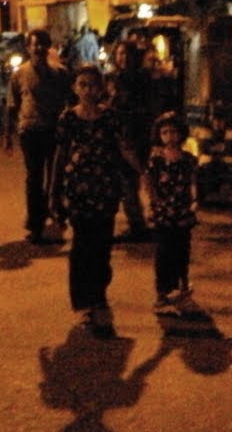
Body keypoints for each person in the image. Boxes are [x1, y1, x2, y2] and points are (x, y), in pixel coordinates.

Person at [50, 66, 143, 338]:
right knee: (81, 247)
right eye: (83, 84)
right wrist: (53, 192)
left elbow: (124, 148)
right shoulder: (68, 119)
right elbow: (60, 154)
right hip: (78, 190)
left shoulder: (111, 117)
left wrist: (145, 172)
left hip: (105, 189)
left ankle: (98, 294)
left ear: (101, 88)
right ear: (75, 88)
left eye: (93, 85)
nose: (88, 90)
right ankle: (84, 304)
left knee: (102, 246)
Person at [4, 28, 72, 245]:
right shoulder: (19, 75)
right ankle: (35, 224)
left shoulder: (60, 73)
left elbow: (70, 101)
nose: (39, 48)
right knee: (34, 179)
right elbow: (11, 106)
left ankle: (55, 211)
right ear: (28, 47)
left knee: (55, 178)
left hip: (53, 131)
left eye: (43, 44)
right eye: (35, 44)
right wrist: (7, 136)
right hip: (30, 131)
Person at [143, 111, 199, 309]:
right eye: (165, 132)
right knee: (163, 251)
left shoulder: (188, 159)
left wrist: (194, 200)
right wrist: (154, 201)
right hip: (162, 211)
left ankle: (182, 286)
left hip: (182, 209)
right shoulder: (156, 160)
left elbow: (193, 181)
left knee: (182, 249)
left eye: (173, 132)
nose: (169, 136)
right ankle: (162, 291)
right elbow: (148, 181)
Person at [104, 40, 153, 241]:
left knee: (129, 180)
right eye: (120, 54)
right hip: (118, 133)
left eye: (127, 54)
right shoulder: (113, 78)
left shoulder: (140, 79)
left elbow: (142, 107)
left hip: (133, 134)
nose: (123, 58)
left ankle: (137, 225)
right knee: (125, 181)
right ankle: (136, 221)